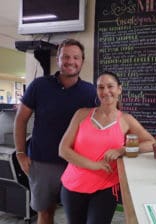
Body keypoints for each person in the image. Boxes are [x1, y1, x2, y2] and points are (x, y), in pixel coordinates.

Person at [13, 38, 97, 224]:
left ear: (82, 61)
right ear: (58, 59)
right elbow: (20, 119)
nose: (70, 61)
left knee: (76, 216)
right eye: (65, 56)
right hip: (43, 163)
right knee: (45, 213)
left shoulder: (91, 92)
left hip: (77, 164)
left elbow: (103, 123)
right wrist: (20, 154)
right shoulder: (39, 86)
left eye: (76, 57)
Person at [59, 71, 155, 224]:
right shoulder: (81, 114)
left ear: (119, 89)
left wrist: (123, 149)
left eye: (110, 86)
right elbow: (63, 149)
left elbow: (152, 143)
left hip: (105, 188)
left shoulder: (126, 120)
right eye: (100, 87)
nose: (105, 91)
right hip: (73, 186)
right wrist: (94, 165)